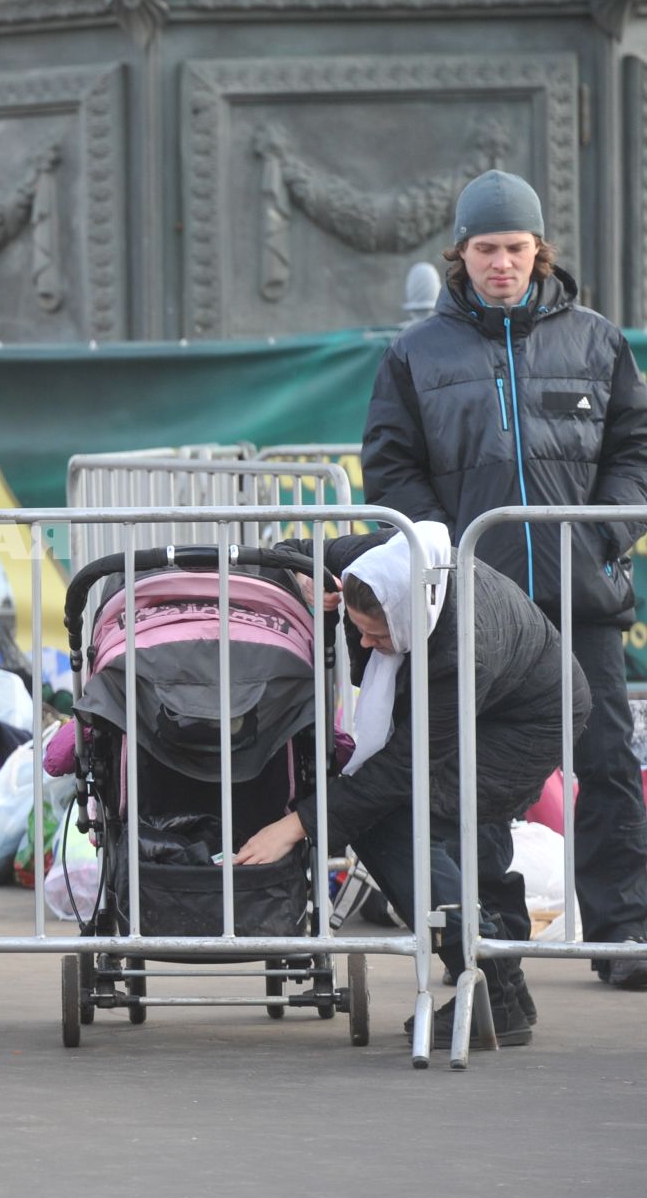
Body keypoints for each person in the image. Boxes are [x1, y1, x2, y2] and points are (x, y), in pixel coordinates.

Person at [362, 168, 647, 991]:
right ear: (461, 253)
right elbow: (392, 469)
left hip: (580, 595)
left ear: (538, 249)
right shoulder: (414, 355)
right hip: (476, 609)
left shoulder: (599, 340)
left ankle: (625, 934)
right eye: (485, 248)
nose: (501, 263)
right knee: (479, 777)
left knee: (607, 764)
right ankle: (494, 935)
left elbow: (634, 450)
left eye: (514, 247)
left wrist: (604, 535)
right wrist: (451, 557)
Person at [237, 525, 587, 1046]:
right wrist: (305, 577)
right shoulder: (372, 559)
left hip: (529, 722)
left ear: (410, 618)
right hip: (498, 694)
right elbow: (288, 550)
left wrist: (296, 825)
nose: (363, 643)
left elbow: (399, 772)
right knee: (455, 828)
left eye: (377, 636)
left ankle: (490, 983)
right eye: (358, 630)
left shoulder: (459, 652)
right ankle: (500, 986)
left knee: (392, 823)